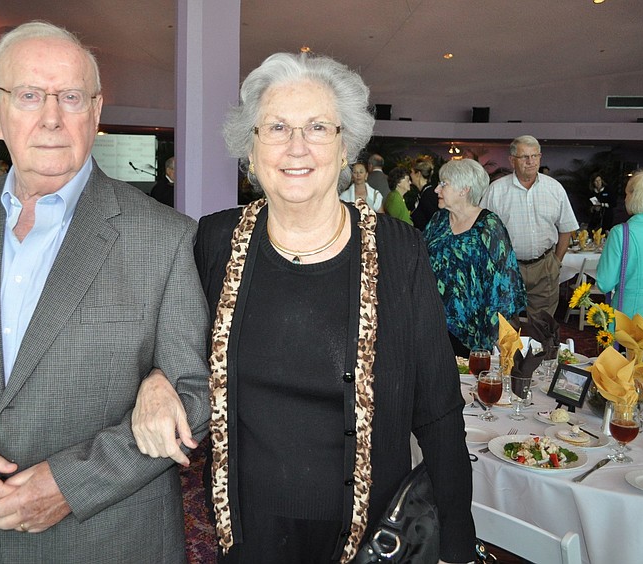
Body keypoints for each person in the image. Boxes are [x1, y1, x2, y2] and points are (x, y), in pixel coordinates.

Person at [0, 21, 210, 563]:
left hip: (108, 539)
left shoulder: (165, 236)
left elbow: (193, 395)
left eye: (71, 97)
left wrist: (71, 484)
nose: (51, 117)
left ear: (96, 112)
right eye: (29, 95)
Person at [131, 52, 475, 564]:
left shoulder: (400, 250)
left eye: (317, 127)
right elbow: (169, 336)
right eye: (276, 128)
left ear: (344, 147)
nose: (297, 147)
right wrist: (156, 377)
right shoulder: (214, 241)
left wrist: (456, 544)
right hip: (247, 529)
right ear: (251, 148)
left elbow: (439, 409)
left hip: (372, 533)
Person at [424, 159, 526, 356]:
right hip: (433, 321)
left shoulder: (489, 226)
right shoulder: (439, 220)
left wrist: (496, 331)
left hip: (474, 326)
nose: (437, 189)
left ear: (464, 190)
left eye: (443, 184)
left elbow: (504, 282)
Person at [480, 135, 579, 322]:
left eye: (535, 156)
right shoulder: (496, 190)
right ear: (512, 160)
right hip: (508, 267)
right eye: (524, 157)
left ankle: (541, 352)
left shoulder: (555, 189)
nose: (531, 161)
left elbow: (566, 228)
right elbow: (484, 232)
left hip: (544, 266)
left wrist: (556, 262)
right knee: (506, 326)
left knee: (543, 326)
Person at [596, 168, 643, 319]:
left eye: (627, 194)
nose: (625, 199)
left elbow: (605, 283)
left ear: (634, 197)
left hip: (629, 318)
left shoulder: (621, 233)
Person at [410, 156, 438, 230]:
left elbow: (433, 222)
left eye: (412, 172)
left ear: (418, 174)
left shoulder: (429, 195)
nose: (410, 175)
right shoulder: (424, 193)